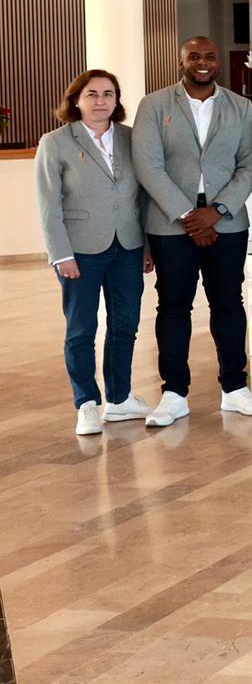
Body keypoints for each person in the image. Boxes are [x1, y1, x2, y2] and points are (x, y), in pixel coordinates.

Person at [132, 36, 252, 427]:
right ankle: (174, 394)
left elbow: (249, 166)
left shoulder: (240, 107)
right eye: (194, 56)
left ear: (218, 62)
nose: (202, 62)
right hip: (171, 225)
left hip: (227, 223)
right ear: (181, 62)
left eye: (209, 56)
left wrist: (216, 212)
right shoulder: (154, 105)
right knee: (173, 307)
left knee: (229, 303)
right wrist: (190, 215)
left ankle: (235, 388)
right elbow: (148, 167)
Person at [36, 70, 154, 435]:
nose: (100, 100)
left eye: (108, 94)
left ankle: (119, 400)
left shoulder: (132, 138)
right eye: (92, 94)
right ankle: (86, 403)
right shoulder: (55, 142)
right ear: (76, 99)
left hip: (128, 246)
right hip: (80, 250)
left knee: (125, 325)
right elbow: (49, 204)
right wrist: (60, 254)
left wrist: (147, 246)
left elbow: (143, 197)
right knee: (82, 328)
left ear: (117, 100)